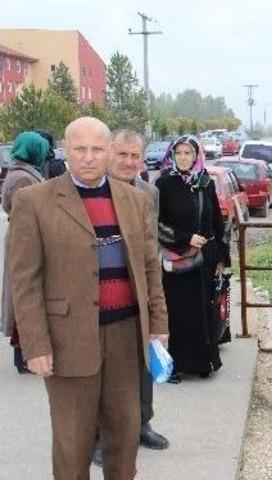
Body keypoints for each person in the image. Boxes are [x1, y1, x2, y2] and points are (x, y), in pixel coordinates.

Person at [10, 116, 168, 479]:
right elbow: (25, 281)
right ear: (65, 150)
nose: (89, 157)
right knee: (72, 443)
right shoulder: (34, 201)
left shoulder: (135, 200)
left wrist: (159, 325)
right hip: (67, 340)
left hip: (126, 336)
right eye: (80, 148)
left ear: (109, 151)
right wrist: (35, 345)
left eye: (97, 149)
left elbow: (149, 269)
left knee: (125, 436)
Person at [102, 128, 169, 451]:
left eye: (135, 156)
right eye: (122, 154)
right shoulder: (93, 191)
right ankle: (100, 436)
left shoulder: (148, 192)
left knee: (144, 361)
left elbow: (151, 244)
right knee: (103, 370)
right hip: (102, 294)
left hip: (140, 291)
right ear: (109, 153)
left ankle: (142, 422)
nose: (129, 162)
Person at [156, 134, 229, 381]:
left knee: (204, 310)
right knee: (178, 312)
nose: (183, 157)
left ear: (196, 155)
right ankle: (174, 366)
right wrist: (186, 238)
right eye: (178, 153)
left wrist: (221, 257)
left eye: (188, 153)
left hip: (205, 260)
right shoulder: (164, 184)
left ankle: (203, 363)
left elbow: (217, 220)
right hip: (178, 260)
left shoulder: (205, 182)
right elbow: (156, 224)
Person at [2, 132, 48, 374]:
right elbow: (27, 213)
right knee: (26, 295)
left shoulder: (22, 171)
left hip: (25, 235)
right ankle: (24, 356)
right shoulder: (22, 178)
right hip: (25, 238)